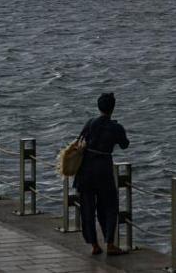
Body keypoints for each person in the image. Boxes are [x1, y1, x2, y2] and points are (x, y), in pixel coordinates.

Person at [74, 92, 130, 255]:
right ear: (113, 107)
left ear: (99, 107)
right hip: (104, 170)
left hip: (86, 170)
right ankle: (110, 243)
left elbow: (79, 141)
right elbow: (125, 145)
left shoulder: (90, 123)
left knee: (87, 208)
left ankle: (94, 245)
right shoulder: (116, 127)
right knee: (110, 206)